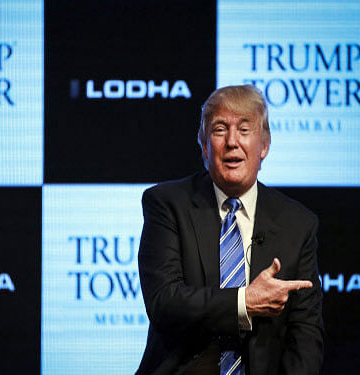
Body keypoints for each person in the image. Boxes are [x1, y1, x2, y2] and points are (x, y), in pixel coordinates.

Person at [136, 85, 323, 375]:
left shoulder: (297, 224)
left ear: (264, 145)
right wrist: (244, 302)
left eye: (245, 130)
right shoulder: (167, 204)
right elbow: (164, 301)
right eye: (220, 129)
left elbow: (305, 335)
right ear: (203, 144)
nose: (232, 142)